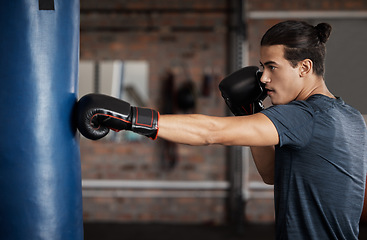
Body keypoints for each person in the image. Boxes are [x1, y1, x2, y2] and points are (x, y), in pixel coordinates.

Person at [76, 20, 367, 239]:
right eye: (261, 67)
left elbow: (210, 132)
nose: (263, 78)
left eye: (272, 67)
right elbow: (270, 174)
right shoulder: (350, 116)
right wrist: (252, 111)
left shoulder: (303, 116)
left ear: (304, 67)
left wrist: (130, 117)